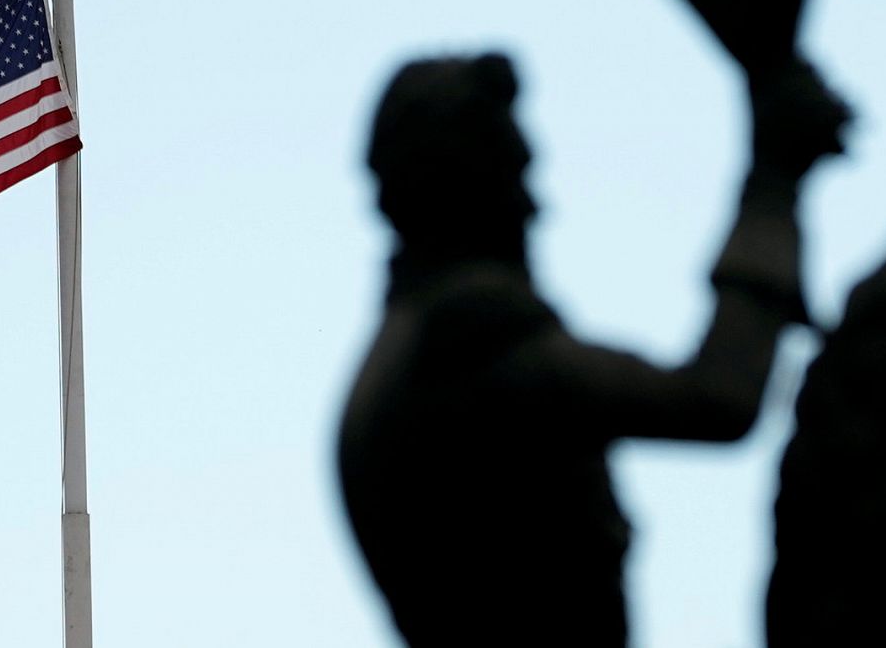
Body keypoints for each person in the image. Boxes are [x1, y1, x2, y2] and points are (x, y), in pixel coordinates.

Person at [337, 51, 848, 646]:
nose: (536, 210)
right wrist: (773, 182)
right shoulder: (466, 354)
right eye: (517, 183)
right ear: (467, 192)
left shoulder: (403, 359)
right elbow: (717, 397)